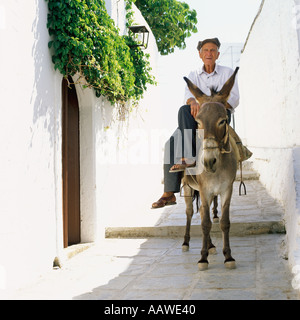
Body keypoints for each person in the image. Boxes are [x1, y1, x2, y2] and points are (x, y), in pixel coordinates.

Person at [152, 38, 240, 209]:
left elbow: (234, 99)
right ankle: (169, 193)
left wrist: (209, 106)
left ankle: (191, 156)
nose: (209, 53)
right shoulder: (193, 75)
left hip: (218, 117)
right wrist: (192, 100)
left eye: (213, 50)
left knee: (190, 113)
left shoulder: (227, 73)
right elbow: (188, 96)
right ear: (200, 54)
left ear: (218, 54)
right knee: (172, 140)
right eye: (205, 50)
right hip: (198, 119)